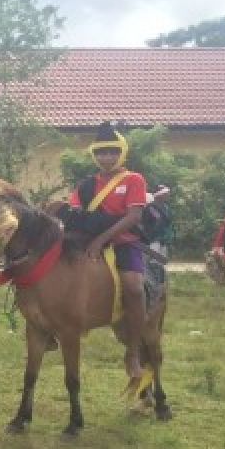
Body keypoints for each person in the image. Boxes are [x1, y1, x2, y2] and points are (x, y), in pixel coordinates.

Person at [64, 122, 148, 380]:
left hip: (124, 242)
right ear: (94, 155)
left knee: (133, 286)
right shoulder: (87, 184)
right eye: (101, 153)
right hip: (86, 241)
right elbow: (75, 210)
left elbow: (133, 216)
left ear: (121, 152)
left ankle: (133, 351)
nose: (106, 158)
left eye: (111, 152)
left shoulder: (134, 180)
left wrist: (102, 240)